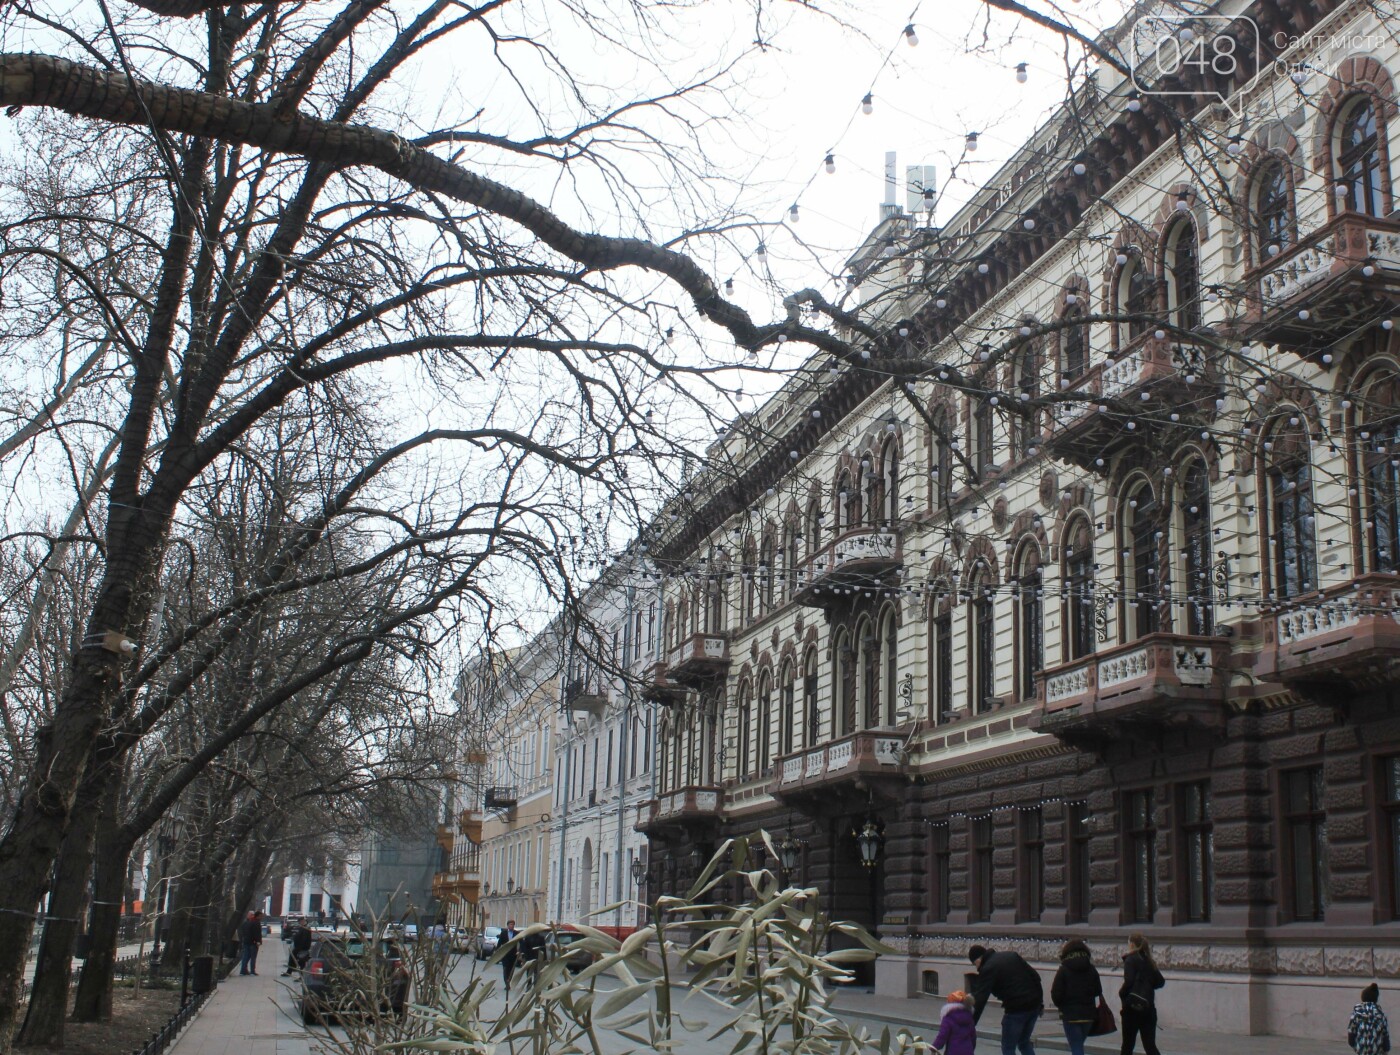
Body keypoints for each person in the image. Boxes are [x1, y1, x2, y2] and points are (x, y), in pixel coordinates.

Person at [969, 944, 1045, 1055]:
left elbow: (980, 999)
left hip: (1016, 1010)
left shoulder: (988, 968)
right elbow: (1035, 977)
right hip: (1034, 1005)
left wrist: (970, 1024)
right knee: (1024, 1043)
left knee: (1008, 1047)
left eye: (974, 964)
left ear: (978, 959)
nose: (976, 968)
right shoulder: (1012, 955)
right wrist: (1040, 1002)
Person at [1051, 939, 1103, 1055]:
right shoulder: (1091, 969)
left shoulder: (1063, 970)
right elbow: (1098, 990)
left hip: (1070, 1015)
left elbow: (1056, 994)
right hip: (1088, 1015)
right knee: (1078, 1045)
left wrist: (1062, 1005)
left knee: (1076, 1046)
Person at [1119, 933, 1165, 1055]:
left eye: (1128, 943)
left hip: (1132, 1009)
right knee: (1150, 1045)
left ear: (1132, 944)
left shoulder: (1130, 960)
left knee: (1127, 1046)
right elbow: (1160, 982)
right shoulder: (1149, 960)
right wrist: (1147, 987)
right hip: (1147, 1008)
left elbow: (1128, 981)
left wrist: (1122, 993)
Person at [1349, 983, 1392, 1055]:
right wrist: (1386, 1049)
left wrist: (1355, 1046)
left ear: (1363, 998)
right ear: (1376, 999)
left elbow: (1351, 1035)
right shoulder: (1381, 1016)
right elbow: (1385, 1037)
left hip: (1361, 1050)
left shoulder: (1356, 1014)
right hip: (1377, 1051)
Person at [933, 989, 977, 1055]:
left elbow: (942, 1035)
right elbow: (973, 1036)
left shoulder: (948, 1017)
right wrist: (971, 1048)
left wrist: (935, 1047)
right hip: (968, 1051)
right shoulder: (969, 1017)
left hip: (953, 1051)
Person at [238, 911, 262, 976]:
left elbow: (243, 932)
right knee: (253, 957)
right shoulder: (255, 923)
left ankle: (243, 971)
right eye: (251, 915)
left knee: (245, 956)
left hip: (246, 942)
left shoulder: (245, 923)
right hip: (253, 943)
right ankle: (252, 971)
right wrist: (258, 941)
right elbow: (257, 933)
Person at [501, 919, 520, 990]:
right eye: (510, 924)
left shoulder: (517, 933)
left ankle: (509, 981)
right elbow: (500, 943)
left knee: (511, 970)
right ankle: (507, 983)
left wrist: (520, 951)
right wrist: (497, 953)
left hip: (513, 954)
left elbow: (521, 942)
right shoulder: (503, 933)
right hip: (505, 954)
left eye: (513, 925)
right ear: (508, 925)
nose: (511, 926)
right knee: (505, 969)